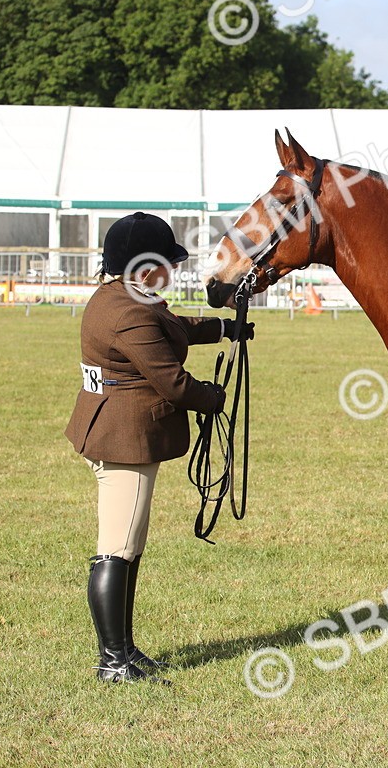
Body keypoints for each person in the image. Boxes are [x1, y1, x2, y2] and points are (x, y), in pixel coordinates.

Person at [65, 212, 253, 684]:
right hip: (124, 438)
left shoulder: (124, 297)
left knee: (128, 547)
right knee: (117, 548)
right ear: (146, 269)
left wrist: (225, 329)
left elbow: (172, 326)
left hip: (118, 432)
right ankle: (114, 662)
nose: (174, 272)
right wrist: (211, 398)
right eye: (168, 264)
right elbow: (172, 381)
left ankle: (124, 650)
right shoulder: (128, 312)